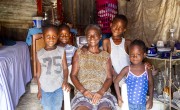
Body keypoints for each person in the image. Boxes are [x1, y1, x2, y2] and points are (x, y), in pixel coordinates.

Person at [70, 24, 117, 110]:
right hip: (83, 94)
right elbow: (73, 75)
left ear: (100, 37)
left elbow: (109, 78)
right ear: (86, 37)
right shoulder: (79, 53)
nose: (91, 38)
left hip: (102, 94)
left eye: (94, 35)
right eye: (89, 35)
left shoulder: (105, 56)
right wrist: (84, 91)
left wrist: (100, 92)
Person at [36, 24, 70, 110]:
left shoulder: (61, 51)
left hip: (58, 86)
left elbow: (65, 68)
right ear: (43, 37)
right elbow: (38, 73)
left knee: (57, 107)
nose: (51, 39)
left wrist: (65, 81)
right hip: (45, 88)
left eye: (54, 36)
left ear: (57, 37)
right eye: (48, 36)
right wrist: (39, 89)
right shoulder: (39, 53)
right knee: (47, 107)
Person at [114, 39, 154, 110]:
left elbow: (151, 83)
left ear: (144, 55)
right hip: (128, 105)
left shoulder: (147, 69)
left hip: (142, 105)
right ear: (129, 55)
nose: (135, 57)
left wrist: (150, 99)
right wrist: (119, 97)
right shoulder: (127, 69)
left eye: (138, 54)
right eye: (132, 54)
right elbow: (116, 82)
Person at [102, 14, 131, 83]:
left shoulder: (127, 42)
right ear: (111, 25)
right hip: (115, 76)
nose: (117, 29)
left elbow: (134, 60)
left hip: (128, 75)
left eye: (120, 28)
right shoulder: (107, 42)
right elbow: (105, 61)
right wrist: (113, 73)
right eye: (115, 25)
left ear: (124, 30)